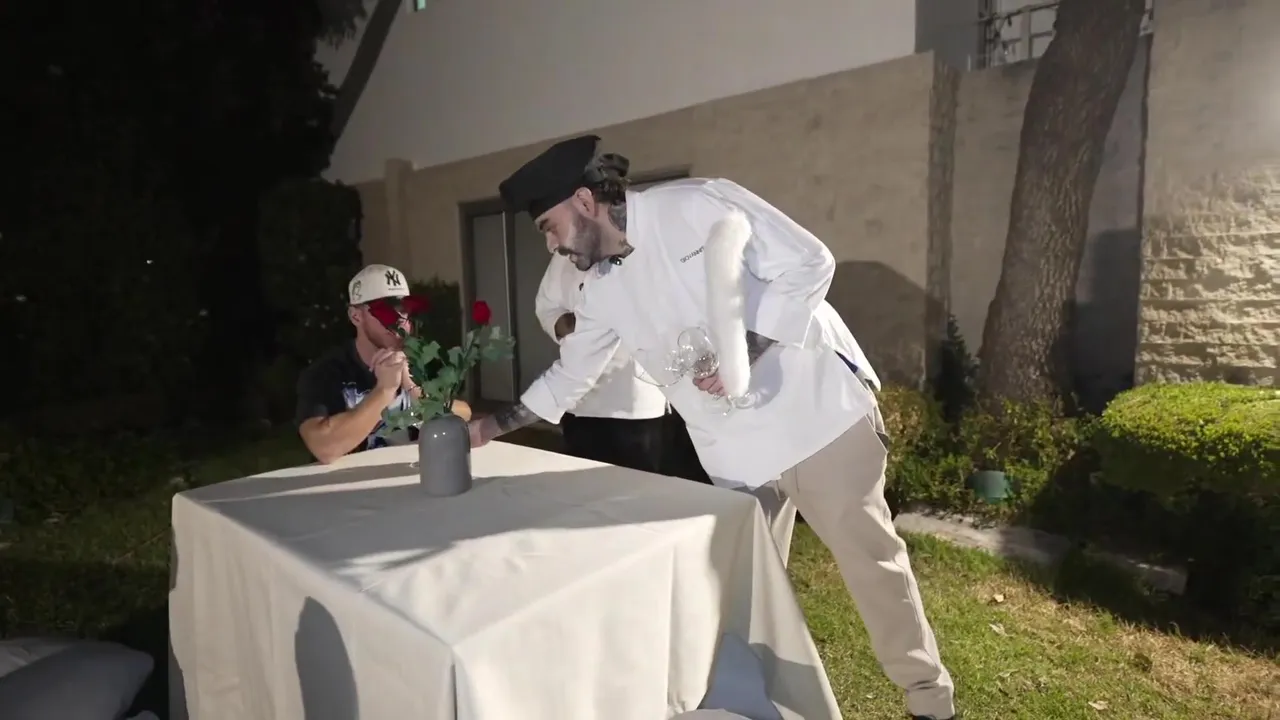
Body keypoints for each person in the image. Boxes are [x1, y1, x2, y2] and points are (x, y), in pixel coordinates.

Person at [467, 136, 955, 720]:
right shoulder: (597, 289)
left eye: (549, 227)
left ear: (584, 201)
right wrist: (490, 426)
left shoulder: (697, 204)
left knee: (872, 565)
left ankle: (929, 701)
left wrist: (743, 350)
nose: (551, 244)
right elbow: (571, 376)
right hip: (735, 456)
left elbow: (810, 262)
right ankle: (764, 705)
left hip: (816, 419)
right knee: (741, 593)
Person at [295, 263, 470, 463]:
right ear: (355, 316)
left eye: (404, 309)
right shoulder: (326, 373)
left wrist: (417, 392)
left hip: (413, 477)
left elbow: (464, 414)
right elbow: (323, 447)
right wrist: (384, 391)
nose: (399, 319)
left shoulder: (419, 363)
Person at [536, 252, 669, 472]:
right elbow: (546, 308)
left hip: (636, 403)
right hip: (579, 403)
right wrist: (582, 326)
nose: (551, 244)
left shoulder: (646, 246)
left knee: (638, 485)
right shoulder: (565, 253)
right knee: (580, 484)